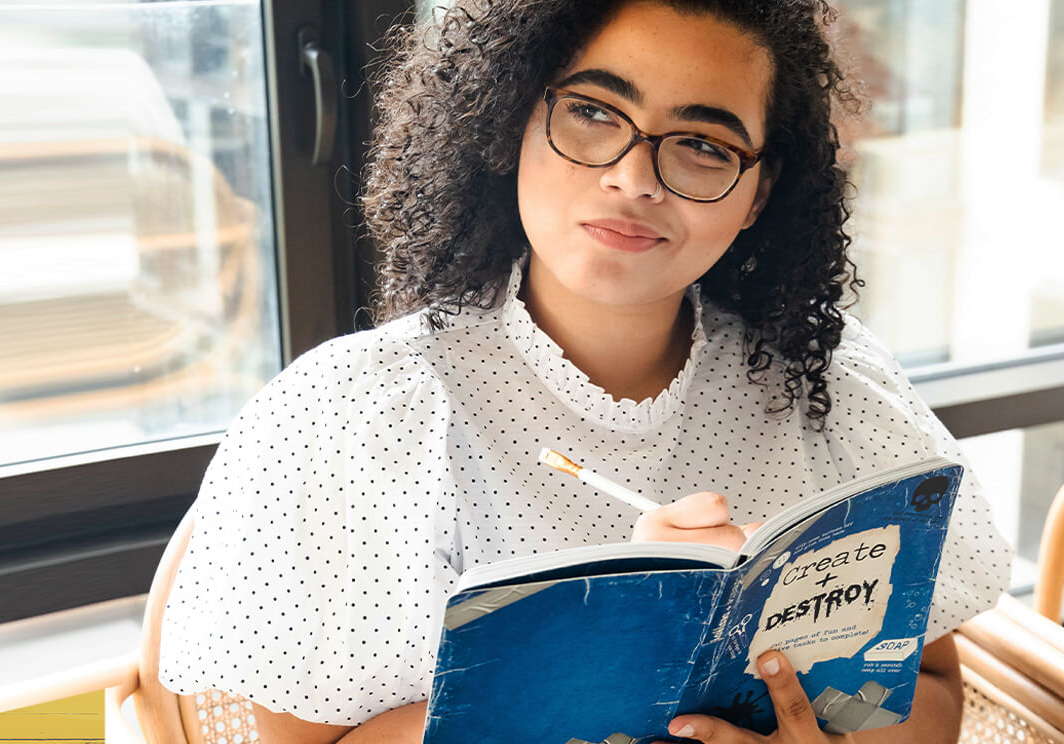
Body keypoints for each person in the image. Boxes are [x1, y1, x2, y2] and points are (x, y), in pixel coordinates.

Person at [158, 1, 1012, 742]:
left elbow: (934, 696)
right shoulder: (352, 416)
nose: (634, 178)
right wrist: (613, 648)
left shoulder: (829, 388)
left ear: (758, 192)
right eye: (595, 113)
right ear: (510, 121)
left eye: (704, 145)